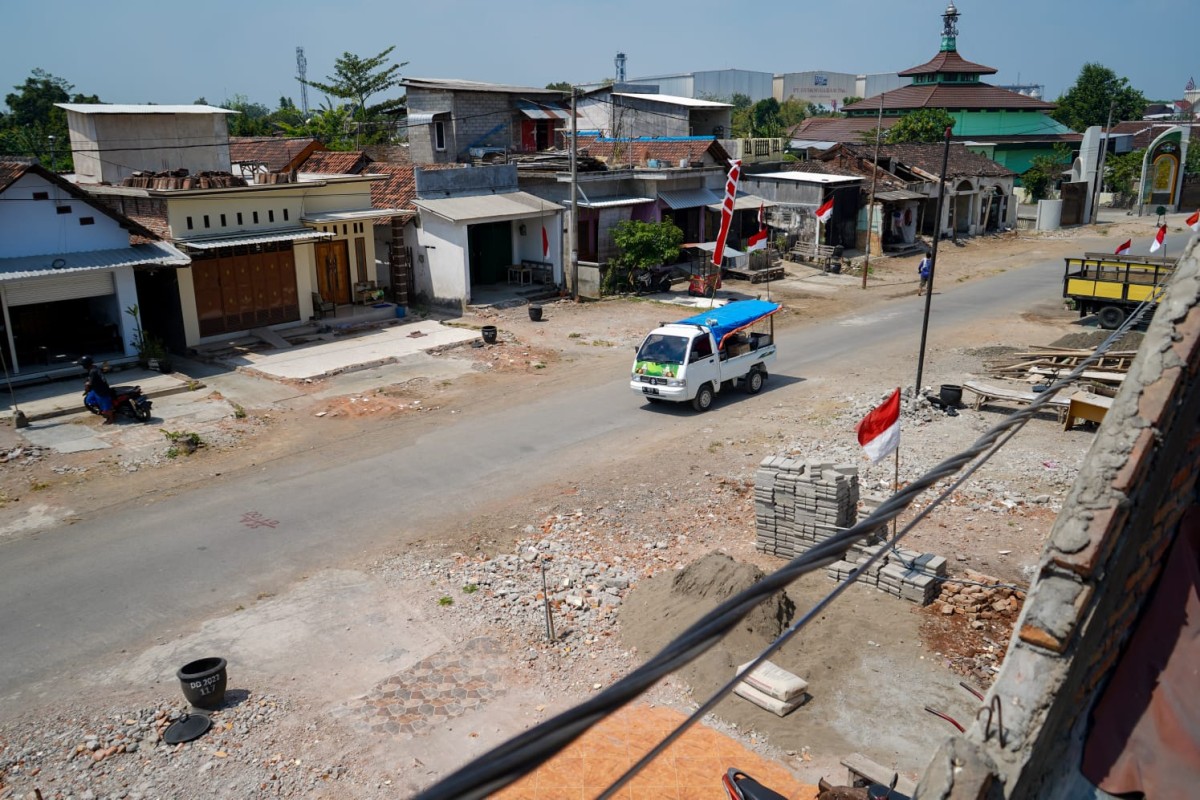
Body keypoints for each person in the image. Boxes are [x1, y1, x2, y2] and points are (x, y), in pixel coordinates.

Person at [80, 355, 115, 424]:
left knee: (106, 408)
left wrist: (87, 385)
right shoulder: (94, 368)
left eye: (83, 365)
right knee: (89, 400)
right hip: (96, 389)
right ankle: (102, 408)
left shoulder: (93, 371)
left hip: (101, 391)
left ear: (85, 365)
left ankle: (110, 418)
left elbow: (90, 383)